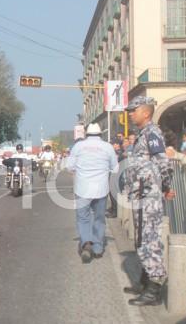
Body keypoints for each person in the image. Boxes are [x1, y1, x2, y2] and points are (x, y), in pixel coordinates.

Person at [123, 96, 175, 306]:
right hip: (141, 193)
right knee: (142, 237)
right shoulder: (143, 134)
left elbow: (162, 161)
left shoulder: (152, 133)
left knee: (149, 239)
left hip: (149, 194)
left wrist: (167, 186)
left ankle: (154, 288)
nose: (131, 114)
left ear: (146, 113)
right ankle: (146, 280)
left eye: (134, 111)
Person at [65, 123, 118, 262]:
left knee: (83, 218)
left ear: (86, 134)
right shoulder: (108, 147)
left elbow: (69, 166)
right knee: (99, 219)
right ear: (101, 134)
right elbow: (115, 168)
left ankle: (86, 243)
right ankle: (98, 248)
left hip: (82, 188)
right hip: (101, 189)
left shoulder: (78, 147)